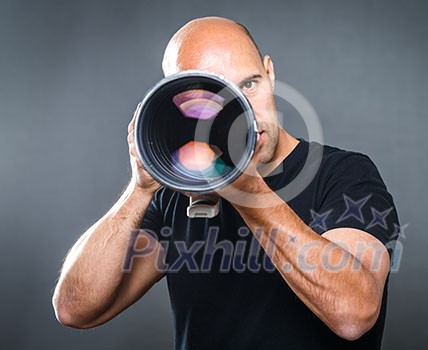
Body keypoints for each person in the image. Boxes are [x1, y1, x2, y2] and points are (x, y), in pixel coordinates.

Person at [52, 16, 399, 349]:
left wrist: (246, 190)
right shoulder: (175, 195)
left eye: (249, 84)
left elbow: (354, 314)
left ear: (270, 72)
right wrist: (140, 189)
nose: (243, 112)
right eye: (218, 98)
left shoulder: (343, 175)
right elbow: (75, 309)